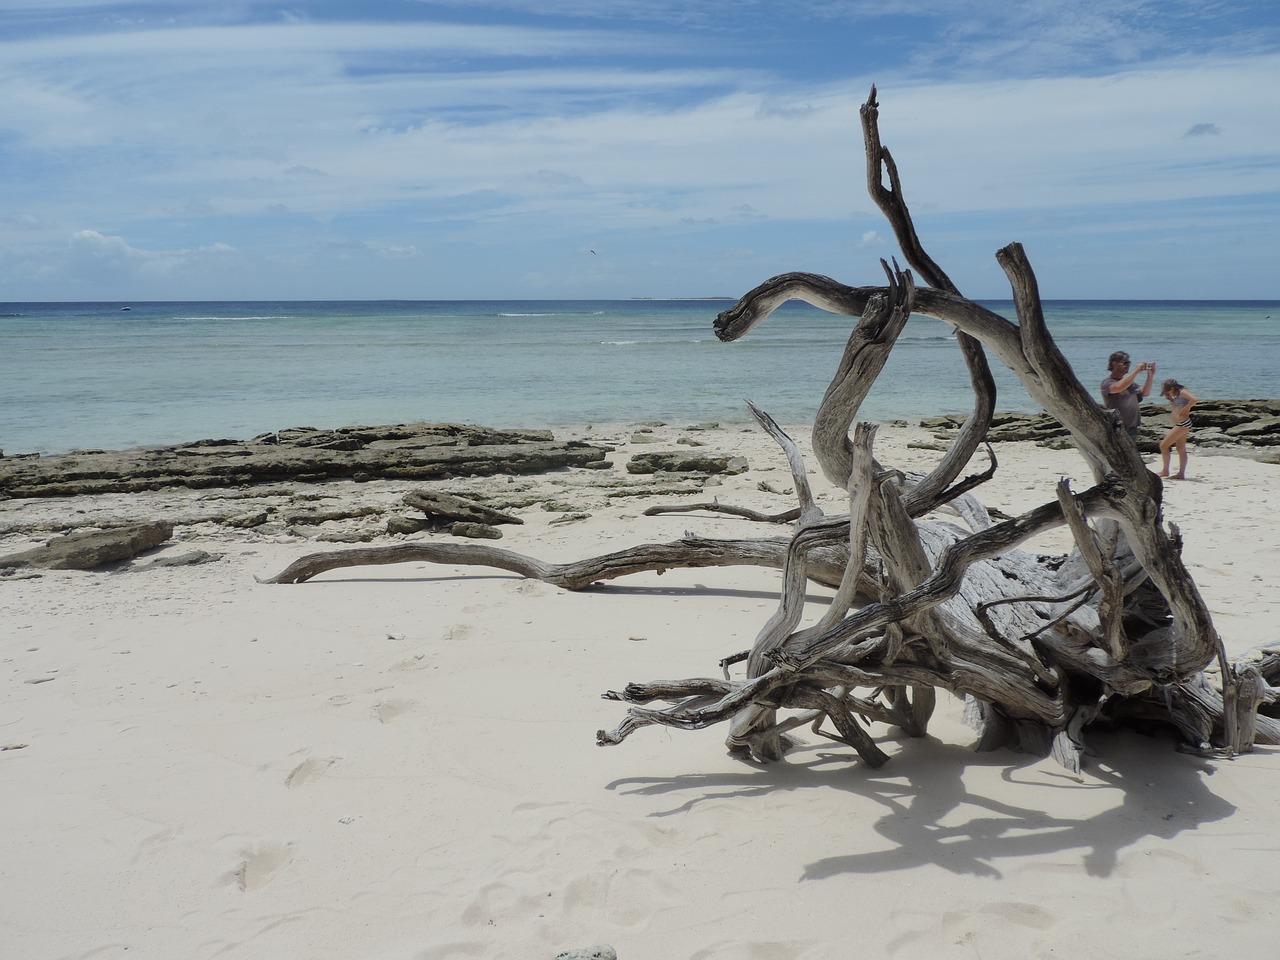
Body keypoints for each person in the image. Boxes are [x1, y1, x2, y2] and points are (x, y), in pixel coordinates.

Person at [1100, 351, 1155, 440]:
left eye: (1129, 363)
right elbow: (1118, 387)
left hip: (1132, 426)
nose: (1128, 365)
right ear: (1114, 364)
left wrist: (1150, 375)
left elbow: (1145, 392)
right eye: (1125, 363)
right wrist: (1136, 371)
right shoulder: (1107, 382)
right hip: (1117, 426)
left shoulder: (1130, 383)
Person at [1158, 378, 1198, 479]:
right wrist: (1171, 398)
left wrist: (1186, 409)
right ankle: (1181, 474)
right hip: (1181, 423)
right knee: (1181, 448)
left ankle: (1165, 471)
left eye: (1167, 391)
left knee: (1163, 445)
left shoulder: (1182, 391)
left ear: (1172, 388)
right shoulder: (1177, 395)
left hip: (1182, 424)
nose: (1167, 393)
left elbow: (1194, 400)